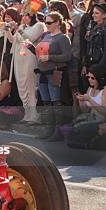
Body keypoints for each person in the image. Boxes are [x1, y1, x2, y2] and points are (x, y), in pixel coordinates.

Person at [4, 0, 46, 124]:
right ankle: (27, 114)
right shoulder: (22, 26)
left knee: (30, 86)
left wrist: (19, 29)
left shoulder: (39, 26)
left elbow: (30, 39)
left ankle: (34, 115)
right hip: (18, 58)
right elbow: (13, 40)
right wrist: (7, 30)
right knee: (22, 87)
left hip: (30, 58)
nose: (25, 18)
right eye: (24, 15)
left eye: (28, 16)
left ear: (33, 16)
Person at [35, 12, 73, 140]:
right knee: (46, 102)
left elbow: (68, 56)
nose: (47, 25)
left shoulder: (63, 38)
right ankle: (49, 129)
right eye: (46, 22)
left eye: (49, 23)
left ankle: (58, 131)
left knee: (56, 101)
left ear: (57, 23)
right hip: (42, 72)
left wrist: (49, 57)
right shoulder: (46, 35)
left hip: (55, 72)